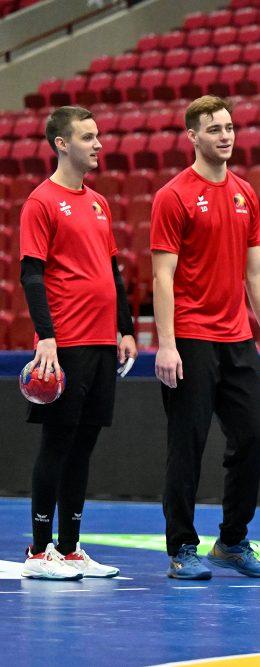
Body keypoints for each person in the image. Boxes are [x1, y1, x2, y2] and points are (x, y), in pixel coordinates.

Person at [151, 96, 260, 580]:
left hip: (238, 339)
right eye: (214, 128)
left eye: (230, 127)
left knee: (254, 436)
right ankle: (182, 548)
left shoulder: (244, 194)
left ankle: (232, 541)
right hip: (191, 339)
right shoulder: (173, 196)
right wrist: (167, 343)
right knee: (187, 444)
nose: (225, 135)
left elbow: (256, 271)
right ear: (192, 136)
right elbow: (162, 277)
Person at [18, 106, 136, 580]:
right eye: (88, 137)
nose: (99, 144)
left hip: (102, 343)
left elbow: (113, 272)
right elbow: (31, 274)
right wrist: (46, 337)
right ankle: (39, 549)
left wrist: (126, 327)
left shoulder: (98, 203)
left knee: (83, 445)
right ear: (62, 143)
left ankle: (68, 548)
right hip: (64, 344)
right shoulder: (41, 202)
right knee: (58, 442)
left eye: (98, 135)